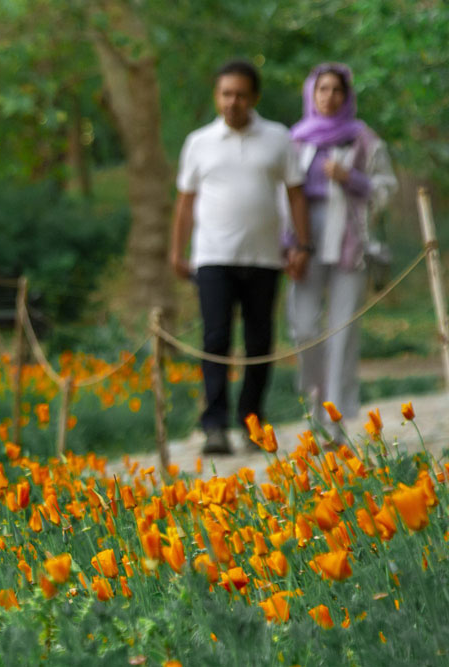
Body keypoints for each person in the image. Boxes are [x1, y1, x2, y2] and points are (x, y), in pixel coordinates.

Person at [170, 60, 311, 455]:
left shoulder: (278, 138)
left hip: (266, 258)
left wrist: (302, 244)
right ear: (217, 97)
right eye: (226, 94)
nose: (233, 102)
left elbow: (296, 193)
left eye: (241, 94)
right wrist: (176, 252)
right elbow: (185, 203)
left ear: (254, 97)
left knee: (259, 341)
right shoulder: (198, 142)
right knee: (214, 338)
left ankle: (252, 422)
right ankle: (214, 426)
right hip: (213, 257)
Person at [286, 63, 397, 439]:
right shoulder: (296, 139)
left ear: (346, 96)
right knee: (303, 327)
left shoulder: (362, 137)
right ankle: (313, 404)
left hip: (350, 239)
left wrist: (352, 179)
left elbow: (386, 186)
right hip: (304, 237)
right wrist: (288, 243)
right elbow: (280, 194)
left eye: (337, 90)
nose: (329, 97)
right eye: (322, 89)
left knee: (343, 330)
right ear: (311, 95)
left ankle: (334, 419)